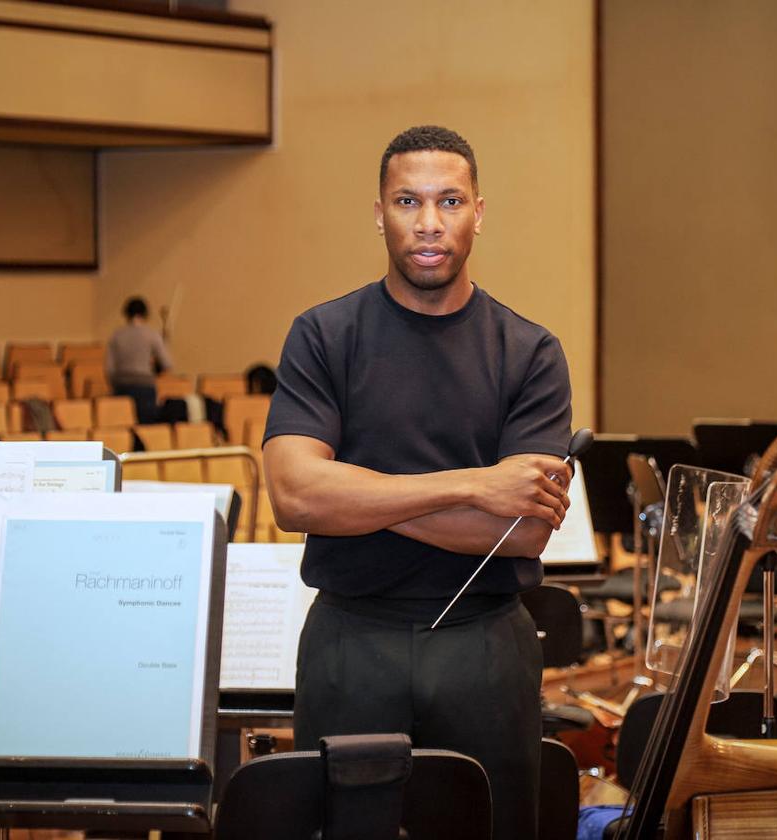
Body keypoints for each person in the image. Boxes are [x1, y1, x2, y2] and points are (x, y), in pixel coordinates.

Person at [262, 125, 572, 840]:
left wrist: (353, 495)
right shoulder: (323, 335)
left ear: (479, 212)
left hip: (485, 644)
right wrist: (472, 486)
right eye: (407, 200)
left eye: (449, 201)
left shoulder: (529, 352)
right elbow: (293, 497)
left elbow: (521, 527)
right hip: (350, 640)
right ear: (379, 213)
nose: (429, 223)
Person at [105, 296, 172, 424]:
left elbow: (109, 368)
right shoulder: (152, 335)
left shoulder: (117, 335)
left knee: (123, 426)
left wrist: (114, 385)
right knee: (146, 427)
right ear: (145, 314)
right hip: (145, 387)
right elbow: (167, 363)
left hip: (121, 386)